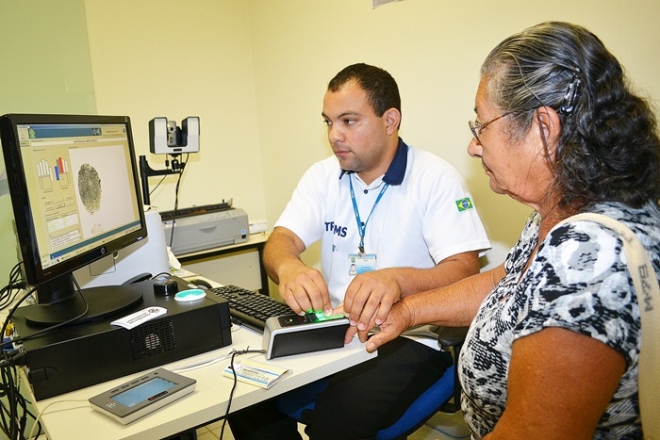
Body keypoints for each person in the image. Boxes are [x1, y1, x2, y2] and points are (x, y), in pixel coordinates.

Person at [366, 22, 660, 439]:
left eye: (480, 125)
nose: (473, 145)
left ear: (544, 127)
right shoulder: (568, 210)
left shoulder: (585, 259)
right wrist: (410, 311)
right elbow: (509, 282)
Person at [228, 63, 490, 439]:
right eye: (329, 122)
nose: (335, 135)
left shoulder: (434, 178)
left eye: (349, 121)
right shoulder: (323, 176)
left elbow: (465, 270)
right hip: (334, 329)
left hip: (410, 337)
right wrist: (288, 268)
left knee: (335, 425)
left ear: (390, 120)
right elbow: (280, 242)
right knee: (243, 393)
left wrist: (398, 280)